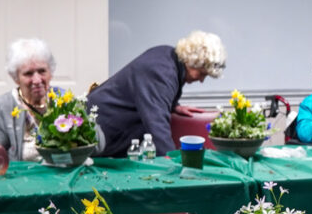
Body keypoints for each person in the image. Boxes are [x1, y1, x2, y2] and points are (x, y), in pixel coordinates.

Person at [89, 30, 226, 157]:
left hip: (103, 121)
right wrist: (172, 160)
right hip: (99, 129)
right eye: (202, 73)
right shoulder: (161, 72)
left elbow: (147, 93)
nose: (201, 80)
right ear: (192, 61)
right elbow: (157, 124)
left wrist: (173, 106)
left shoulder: (166, 56)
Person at [0, 38, 105, 161]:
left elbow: (98, 146)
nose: (37, 80)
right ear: (15, 78)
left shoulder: (64, 100)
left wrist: (77, 112)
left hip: (62, 175)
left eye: (42, 71)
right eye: (28, 73)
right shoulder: (1, 107)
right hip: (20, 179)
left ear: (51, 72)